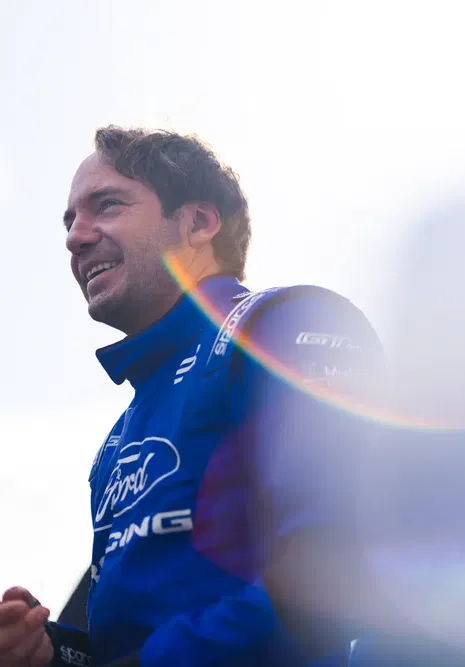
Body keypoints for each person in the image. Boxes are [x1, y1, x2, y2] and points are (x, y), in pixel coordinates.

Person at [0, 127, 384, 667]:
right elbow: (119, 645)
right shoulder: (116, 442)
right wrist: (49, 652)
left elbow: (338, 563)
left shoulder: (287, 325)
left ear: (199, 223)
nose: (75, 237)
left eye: (106, 206)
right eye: (69, 222)